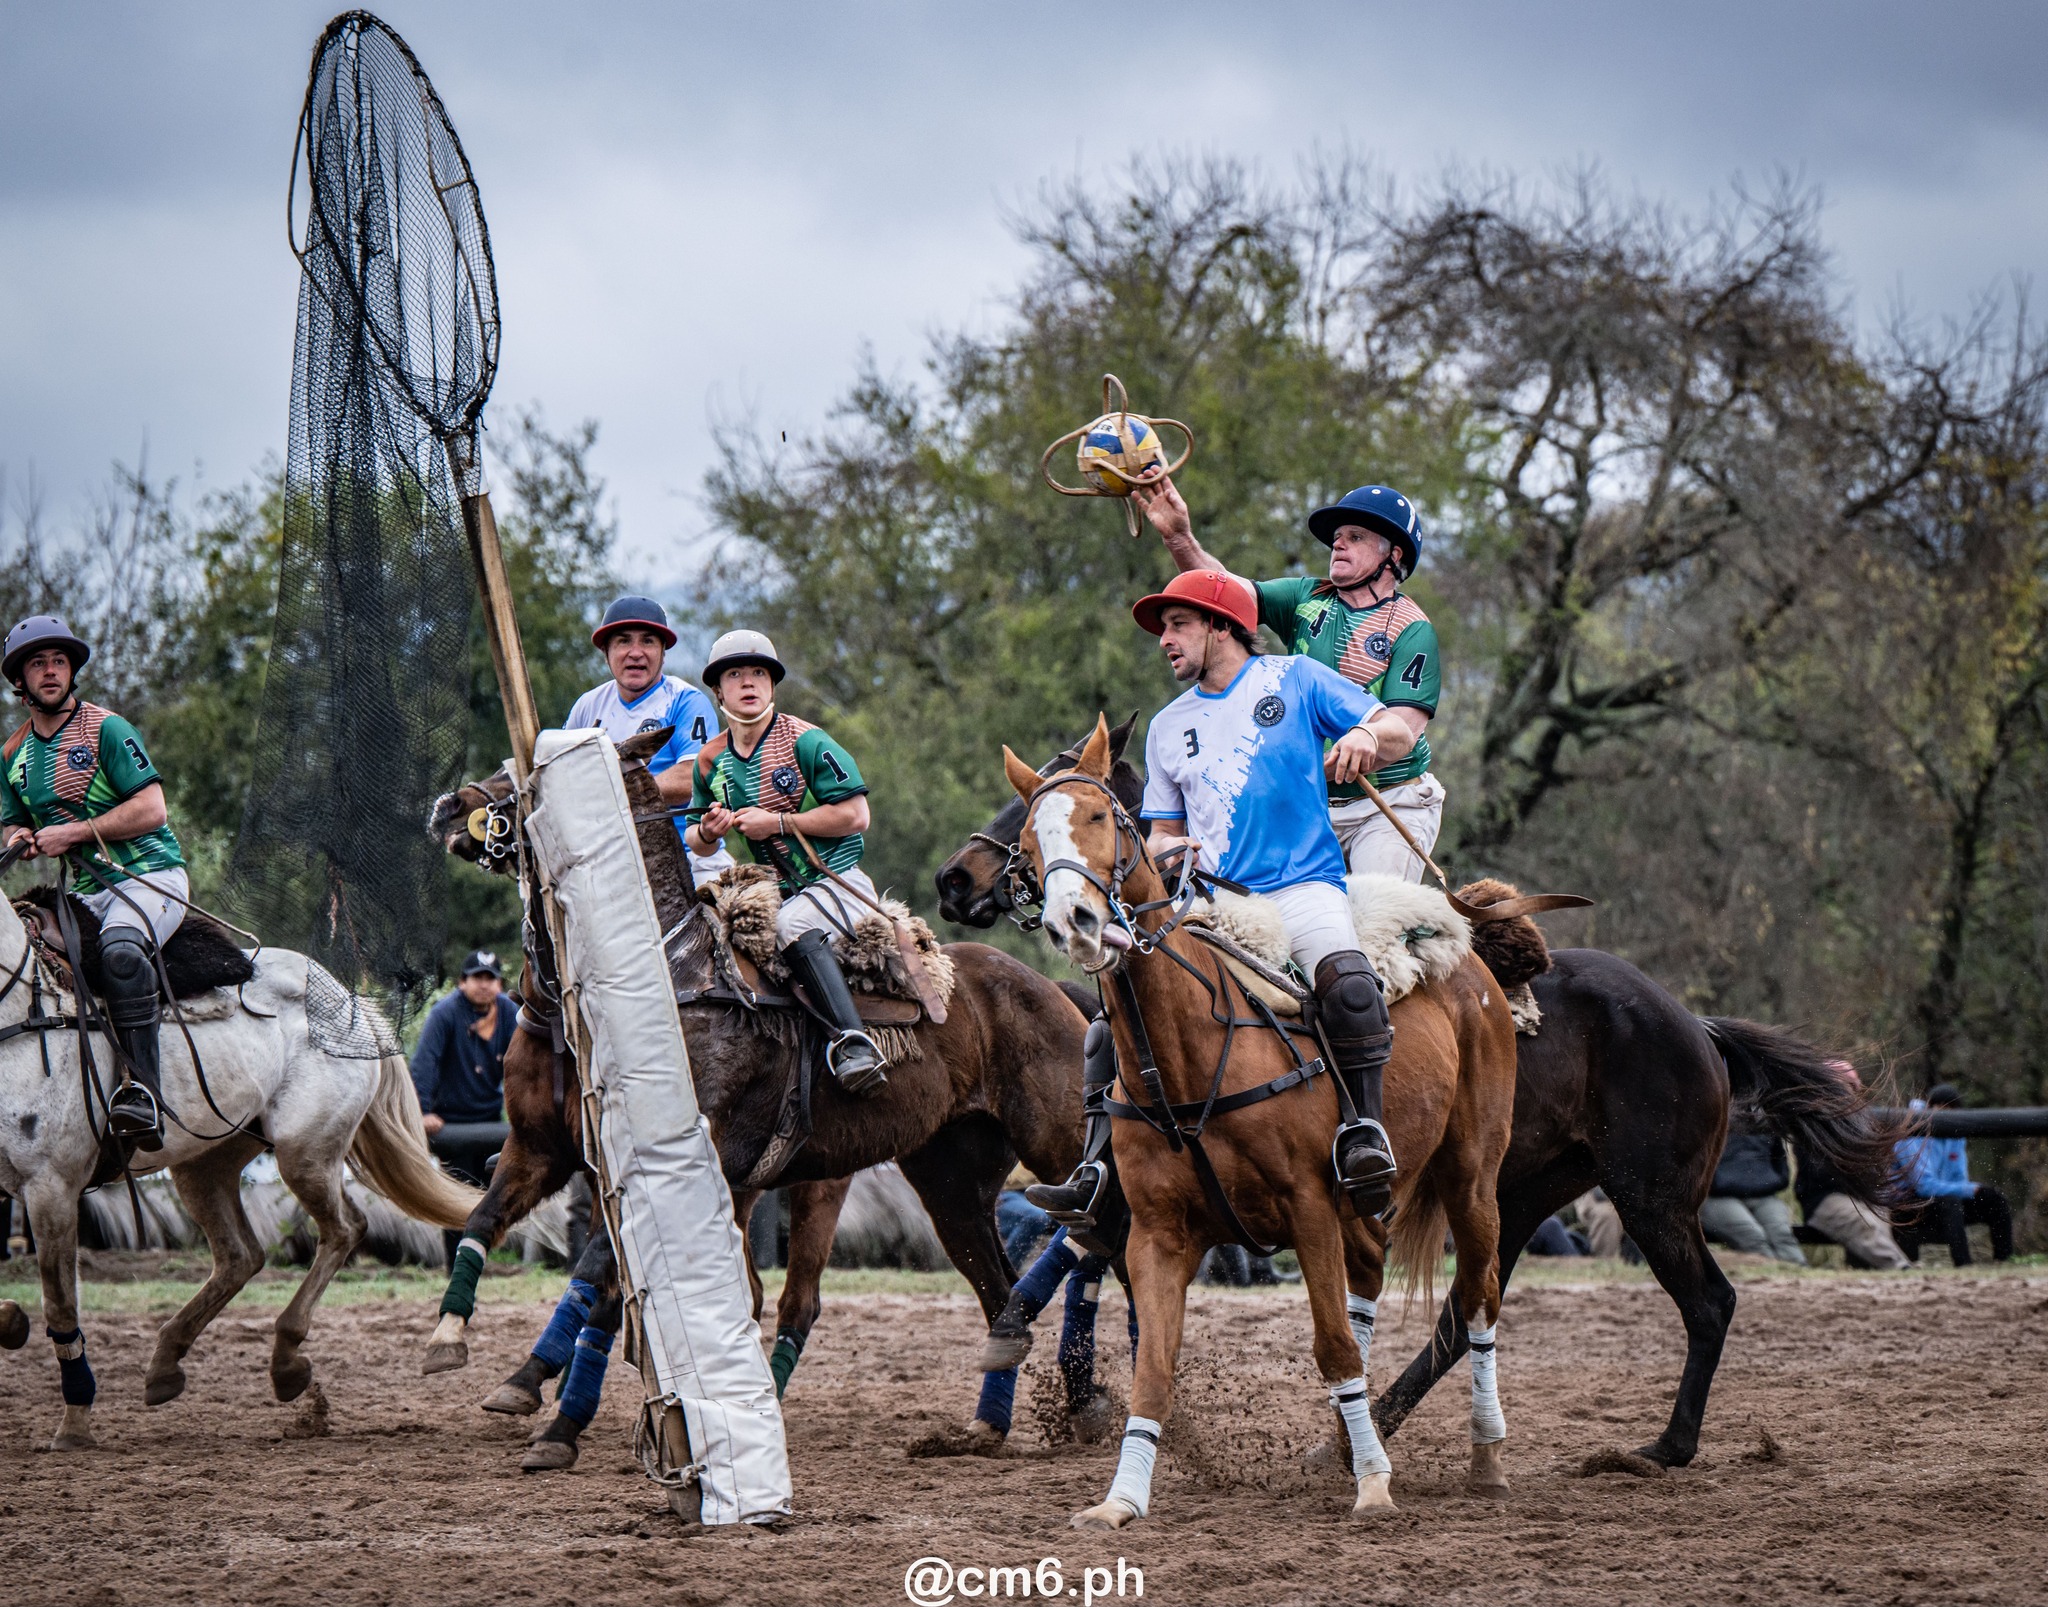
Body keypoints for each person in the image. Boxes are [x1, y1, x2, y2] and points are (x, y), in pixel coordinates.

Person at [1030, 568, 1419, 1222]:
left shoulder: (1295, 678)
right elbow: (1162, 833)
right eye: (1162, 629)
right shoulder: (1166, 725)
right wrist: (1163, 852)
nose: (1164, 640)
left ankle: (1363, 1134)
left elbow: (1402, 733)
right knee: (1109, 1025)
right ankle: (1096, 1171)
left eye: (1177, 624)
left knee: (1352, 990)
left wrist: (1362, 735)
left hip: (1303, 887)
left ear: (1221, 626)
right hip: (1210, 905)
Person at [1134, 478, 1444, 881]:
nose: (1338, 544)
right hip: (1310, 805)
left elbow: (1400, 736)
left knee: (1375, 923)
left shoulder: (1413, 629)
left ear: (1393, 555)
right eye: (1336, 537)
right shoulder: (1306, 598)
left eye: (1355, 536)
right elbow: (1222, 595)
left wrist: (1342, 747)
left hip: (1388, 804)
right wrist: (1179, 538)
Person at [0, 615, 190, 1149]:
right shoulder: (11, 756)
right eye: (38, 663)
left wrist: (74, 833)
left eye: (59, 661)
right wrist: (22, 838)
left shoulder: (107, 729)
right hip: (86, 891)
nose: (51, 670)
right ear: (21, 680)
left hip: (149, 876)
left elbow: (153, 808)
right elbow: (14, 817)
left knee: (121, 956)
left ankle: (144, 1094)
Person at [683, 630, 885, 1093]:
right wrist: (709, 833)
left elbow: (857, 815)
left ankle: (857, 1045)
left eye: (759, 673)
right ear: (719, 690)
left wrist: (776, 824)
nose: (748, 682)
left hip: (840, 882)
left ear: (773, 685)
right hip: (782, 891)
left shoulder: (807, 740)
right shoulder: (710, 760)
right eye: (735, 674)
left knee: (790, 926)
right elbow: (698, 838)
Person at [565, 594, 733, 883]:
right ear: (606, 651)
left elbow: (690, 779)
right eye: (623, 641)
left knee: (737, 920)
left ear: (663, 652)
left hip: (687, 854)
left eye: (648, 641)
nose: (635, 652)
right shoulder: (587, 706)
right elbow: (562, 778)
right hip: (607, 855)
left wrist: (612, 794)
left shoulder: (686, 701)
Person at [409, 950, 519, 1188]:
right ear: (462, 982)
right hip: (450, 1124)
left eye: (490, 979)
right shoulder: (444, 1013)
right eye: (477, 978)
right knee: (459, 1192)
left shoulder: (508, 1012)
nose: (483, 985)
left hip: (490, 1120)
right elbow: (425, 1062)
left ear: (499, 984)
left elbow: (522, 1066)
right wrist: (423, 1111)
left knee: (490, 1194)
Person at [1793, 1061, 1908, 1270]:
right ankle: (1901, 1269)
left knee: (1880, 1215)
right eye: (1847, 1085)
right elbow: (1820, 1172)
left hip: (1860, 1195)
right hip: (1825, 1198)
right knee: (1865, 1223)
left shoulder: (1863, 1118)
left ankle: (1878, 1272)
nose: (1852, 1093)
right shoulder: (1812, 1117)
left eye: (1854, 1087)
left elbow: (1875, 1165)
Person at [1894, 1084, 2014, 1266]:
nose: (1945, 1115)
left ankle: (2003, 1260)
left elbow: (1959, 1177)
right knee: (1950, 1203)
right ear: (1930, 1108)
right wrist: (1965, 1189)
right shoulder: (1911, 1131)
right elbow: (1923, 1185)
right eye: (1941, 1110)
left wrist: (1970, 1190)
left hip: (1944, 1199)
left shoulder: (1956, 1133)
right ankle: (1964, 1264)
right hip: (1909, 1204)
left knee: (1994, 1199)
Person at [1699, 1113, 1806, 1265]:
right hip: (1716, 1198)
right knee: (1753, 1237)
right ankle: (1777, 1275)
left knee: (1782, 1235)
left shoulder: (1762, 1115)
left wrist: (1776, 1180)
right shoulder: (1705, 1111)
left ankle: (1798, 1274)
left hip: (1764, 1194)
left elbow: (1779, 1156)